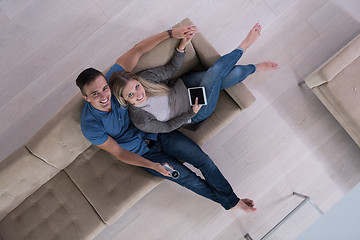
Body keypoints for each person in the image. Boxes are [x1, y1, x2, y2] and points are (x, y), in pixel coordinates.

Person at [76, 25, 256, 212]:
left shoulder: (114, 84)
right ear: (86, 97)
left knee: (203, 161)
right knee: (187, 178)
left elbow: (137, 50)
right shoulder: (90, 126)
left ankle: (232, 201)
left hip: (159, 132)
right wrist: (152, 165)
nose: (104, 96)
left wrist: (170, 34)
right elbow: (120, 153)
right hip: (145, 155)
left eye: (104, 88)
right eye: (95, 94)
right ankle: (233, 202)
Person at [108, 23, 279, 133]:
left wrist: (182, 46)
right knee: (214, 73)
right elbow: (167, 127)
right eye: (131, 95)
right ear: (123, 99)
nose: (139, 94)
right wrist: (192, 112)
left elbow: (172, 68)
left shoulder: (145, 79)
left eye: (137, 87)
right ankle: (244, 46)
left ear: (137, 81)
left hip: (185, 86)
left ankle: (255, 68)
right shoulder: (140, 119)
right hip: (194, 110)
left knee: (225, 75)